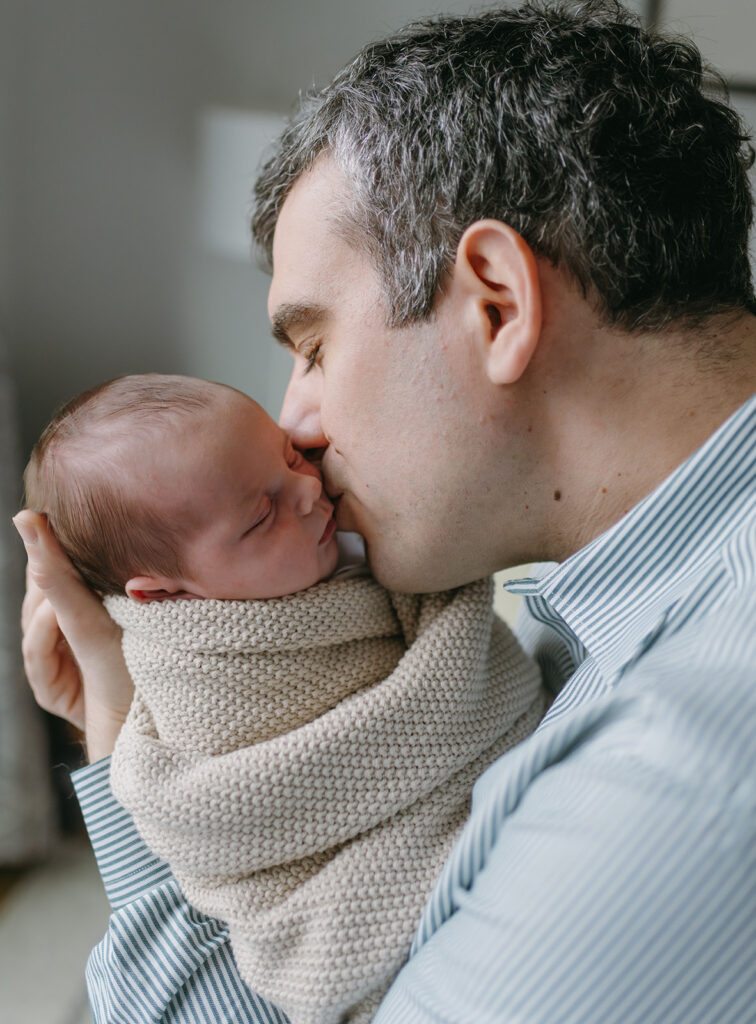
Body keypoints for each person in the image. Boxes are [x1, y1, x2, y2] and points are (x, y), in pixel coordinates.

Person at [14, 1, 756, 1021]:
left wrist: (114, 750)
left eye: (312, 347)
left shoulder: (671, 778)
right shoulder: (609, 600)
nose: (296, 425)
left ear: (496, 303)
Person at [22, 372, 544, 1023]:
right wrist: (109, 708)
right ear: (162, 595)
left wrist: (103, 711)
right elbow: (201, 815)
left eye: (289, 455)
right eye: (261, 515)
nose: (307, 488)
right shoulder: (195, 693)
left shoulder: (358, 550)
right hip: (346, 925)